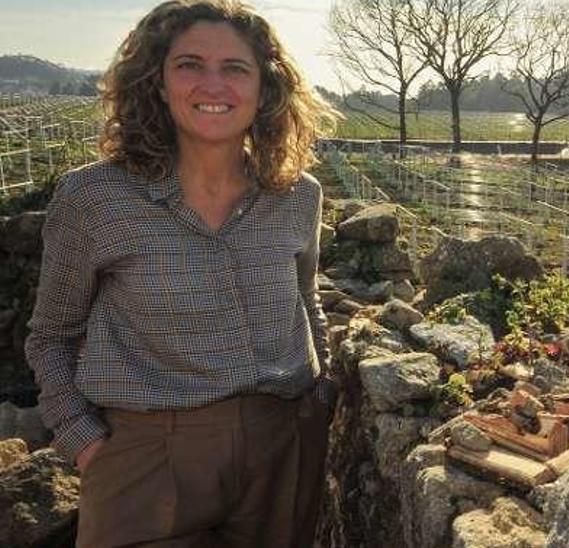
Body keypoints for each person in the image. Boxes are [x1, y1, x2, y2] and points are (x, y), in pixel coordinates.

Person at [24, 1, 339, 545]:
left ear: (265, 88)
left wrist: (319, 399)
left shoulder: (298, 197)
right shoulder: (95, 198)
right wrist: (85, 441)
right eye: (189, 64)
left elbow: (305, 299)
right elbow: (51, 336)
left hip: (282, 447)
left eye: (235, 68)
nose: (212, 84)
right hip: (144, 458)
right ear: (157, 82)